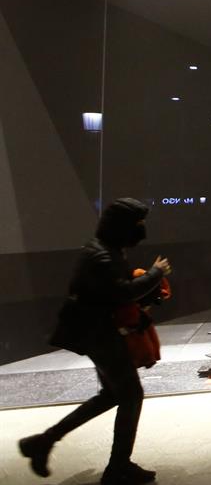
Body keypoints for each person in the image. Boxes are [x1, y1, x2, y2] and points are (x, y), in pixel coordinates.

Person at [18, 198, 172, 484]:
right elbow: (122, 292)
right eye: (137, 225)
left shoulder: (106, 250)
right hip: (97, 334)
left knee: (113, 395)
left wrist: (148, 287)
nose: (141, 230)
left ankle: (43, 442)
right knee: (130, 395)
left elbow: (117, 288)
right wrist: (155, 274)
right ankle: (117, 468)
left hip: (97, 332)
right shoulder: (101, 255)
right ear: (122, 226)